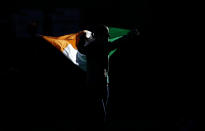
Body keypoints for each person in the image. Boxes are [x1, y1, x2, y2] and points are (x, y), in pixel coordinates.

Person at [76, 24, 140, 130]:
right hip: (98, 83)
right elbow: (118, 42)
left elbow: (81, 48)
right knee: (100, 109)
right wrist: (130, 35)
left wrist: (82, 38)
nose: (108, 37)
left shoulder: (91, 47)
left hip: (96, 82)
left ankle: (97, 126)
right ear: (100, 35)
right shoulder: (101, 46)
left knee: (98, 108)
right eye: (106, 35)